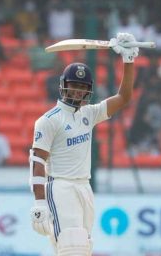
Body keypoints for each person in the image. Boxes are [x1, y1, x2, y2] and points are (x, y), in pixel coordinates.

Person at [28, 33, 139, 255]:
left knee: (83, 246)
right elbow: (37, 161)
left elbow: (124, 97)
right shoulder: (49, 120)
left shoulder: (89, 113)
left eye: (82, 86)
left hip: (84, 187)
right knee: (72, 246)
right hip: (60, 186)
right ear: (64, 86)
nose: (78, 90)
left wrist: (128, 60)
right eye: (73, 85)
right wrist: (39, 202)